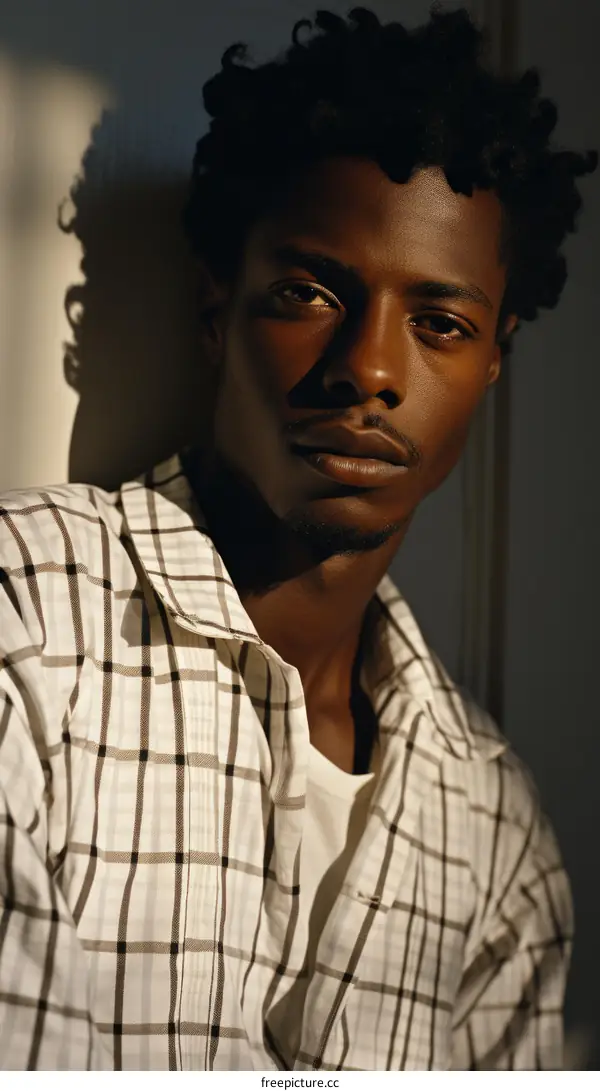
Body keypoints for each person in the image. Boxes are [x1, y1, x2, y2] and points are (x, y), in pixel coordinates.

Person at [0, 5, 596, 1072]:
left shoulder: (497, 835)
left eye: (441, 323)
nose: (368, 368)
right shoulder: (28, 620)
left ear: (494, 360)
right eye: (308, 292)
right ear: (215, 305)